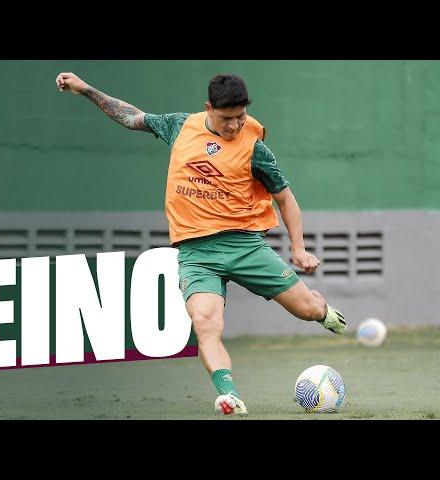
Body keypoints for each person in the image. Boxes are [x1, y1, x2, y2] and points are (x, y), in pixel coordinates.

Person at [56, 71, 347, 415]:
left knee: (307, 310)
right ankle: (229, 395)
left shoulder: (255, 146)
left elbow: (285, 198)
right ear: (208, 108)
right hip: (196, 254)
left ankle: (325, 312)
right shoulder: (180, 127)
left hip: (245, 246)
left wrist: (298, 248)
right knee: (206, 325)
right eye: (227, 118)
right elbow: (131, 116)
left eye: (241, 117)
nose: (235, 126)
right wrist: (85, 89)